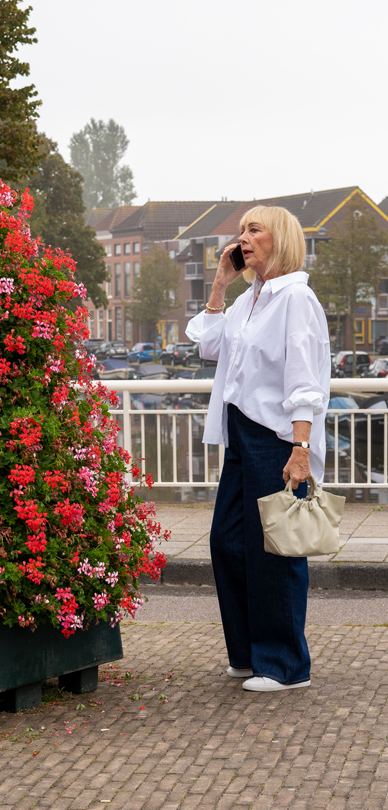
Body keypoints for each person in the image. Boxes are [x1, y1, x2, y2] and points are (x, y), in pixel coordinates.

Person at [186, 206, 330, 693]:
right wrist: (221, 284)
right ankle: (249, 654)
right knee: (227, 541)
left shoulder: (296, 299)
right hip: (240, 432)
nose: (242, 237)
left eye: (254, 229)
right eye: (240, 230)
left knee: (276, 548)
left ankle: (286, 666)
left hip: (275, 436)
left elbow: (306, 380)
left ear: (280, 238)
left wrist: (301, 447)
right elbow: (208, 347)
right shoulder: (252, 298)